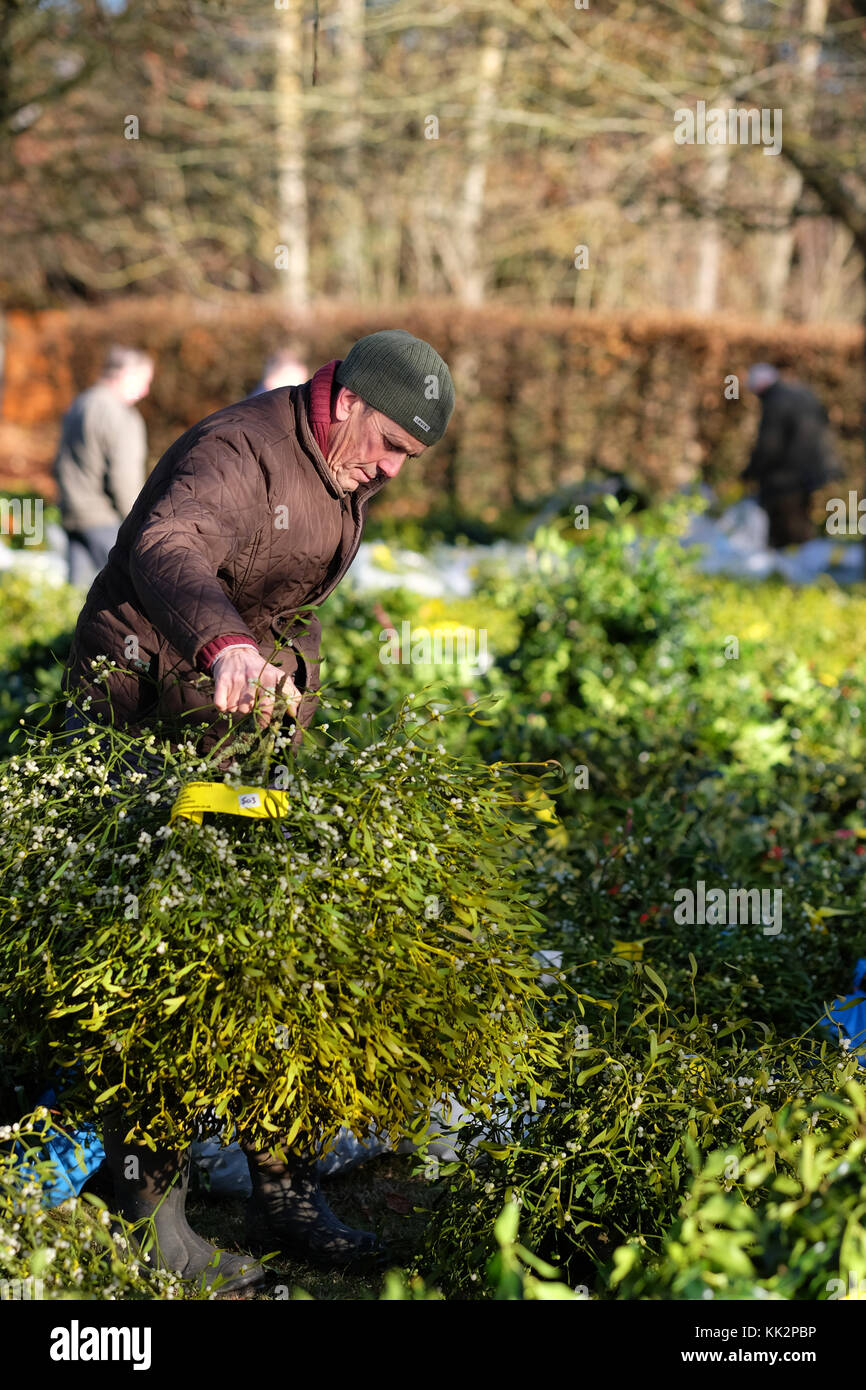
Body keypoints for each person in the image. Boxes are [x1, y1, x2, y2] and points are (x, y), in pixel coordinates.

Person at [62, 329, 455, 1293]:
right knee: (166, 959)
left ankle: (281, 1191)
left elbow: (287, 584)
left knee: (277, 945)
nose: (394, 471)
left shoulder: (339, 469)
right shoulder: (238, 451)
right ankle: (154, 1224)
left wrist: (285, 673)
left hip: (238, 726)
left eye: (410, 458)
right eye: (394, 446)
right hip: (145, 710)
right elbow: (163, 544)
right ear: (350, 400)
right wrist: (225, 646)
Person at [53, 345, 154, 586]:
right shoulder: (121, 415)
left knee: (77, 599)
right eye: (144, 381)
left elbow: (59, 462)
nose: (146, 390)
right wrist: (141, 523)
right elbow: (124, 478)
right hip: (105, 521)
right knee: (124, 598)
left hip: (71, 513)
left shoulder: (80, 404)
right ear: (125, 374)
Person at [741, 363, 842, 549]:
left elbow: (770, 444)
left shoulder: (775, 401)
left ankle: (787, 563)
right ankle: (800, 561)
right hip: (815, 468)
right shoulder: (801, 393)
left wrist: (751, 471)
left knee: (787, 521)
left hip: (787, 474)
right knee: (801, 515)